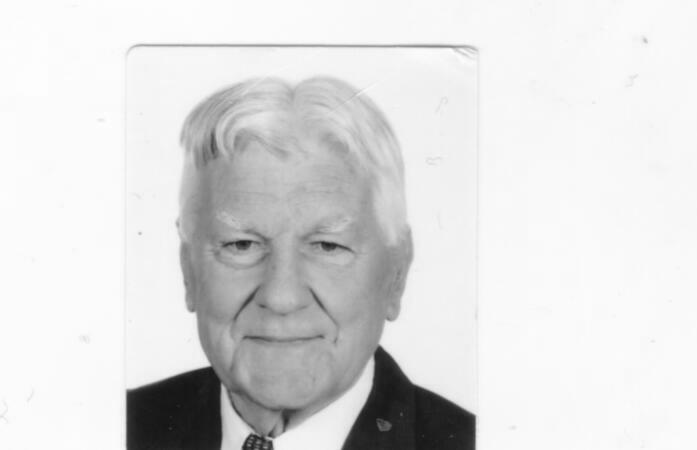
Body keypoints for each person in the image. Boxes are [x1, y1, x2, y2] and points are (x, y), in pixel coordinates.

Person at [126, 76, 475, 450]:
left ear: (396, 275)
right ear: (188, 271)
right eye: (241, 245)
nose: (281, 297)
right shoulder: (118, 425)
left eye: (327, 246)